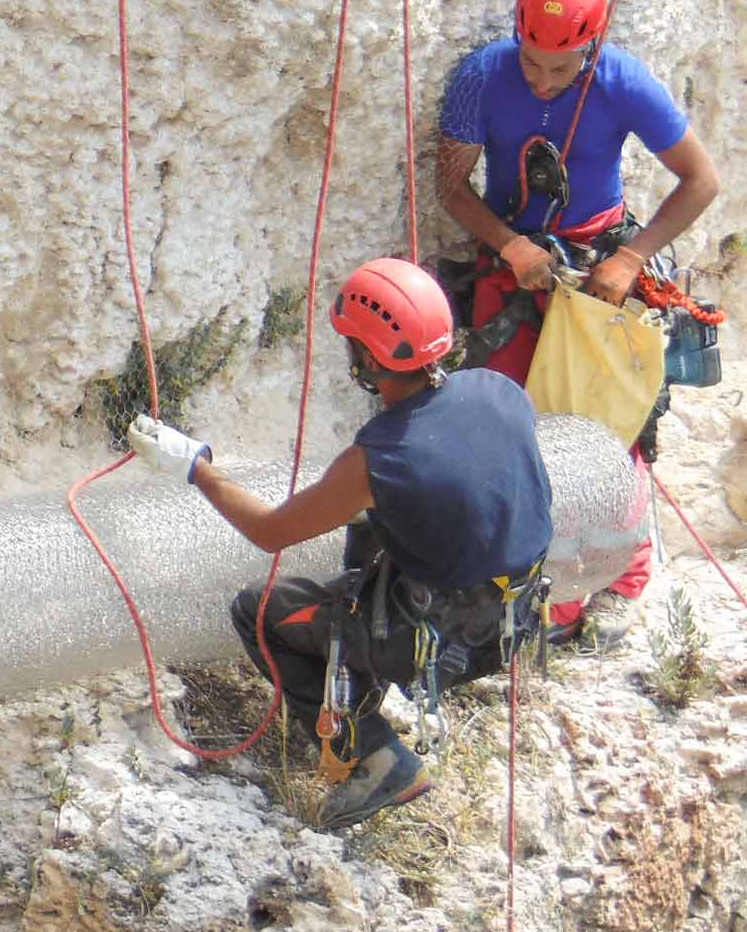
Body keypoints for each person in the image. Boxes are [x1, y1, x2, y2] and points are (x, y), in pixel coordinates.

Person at [129, 258, 554, 831]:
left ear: (371, 358)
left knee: (260, 612)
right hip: (512, 626)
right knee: (367, 538)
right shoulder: (498, 390)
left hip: (439, 642)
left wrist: (197, 468)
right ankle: (364, 688)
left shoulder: (381, 457)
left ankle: (376, 759)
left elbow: (270, 531)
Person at [434, 0, 719, 645]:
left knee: (613, 430)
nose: (542, 79)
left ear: (590, 49)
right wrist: (510, 245)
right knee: (511, 432)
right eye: (532, 62)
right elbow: (450, 187)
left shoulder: (621, 80)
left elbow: (700, 180)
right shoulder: (482, 76)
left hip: (598, 270)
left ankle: (621, 581)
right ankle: (541, 595)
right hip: (517, 268)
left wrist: (630, 257)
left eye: (561, 70)